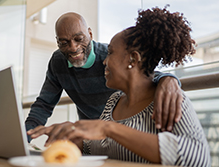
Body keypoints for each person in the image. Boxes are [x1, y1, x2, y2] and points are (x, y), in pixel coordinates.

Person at [28, 7, 211, 166]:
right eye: (64, 42)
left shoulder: (169, 100)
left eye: (110, 53)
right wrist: (73, 133)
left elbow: (197, 157)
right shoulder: (114, 101)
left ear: (133, 59)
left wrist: (170, 79)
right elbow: (104, 144)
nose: (105, 61)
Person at [25, 11, 183, 142]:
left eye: (79, 39)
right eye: (64, 42)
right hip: (91, 138)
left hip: (124, 134)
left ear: (90, 34)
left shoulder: (113, 55)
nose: (73, 47)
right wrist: (25, 136)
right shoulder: (58, 62)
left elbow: (144, 74)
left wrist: (168, 79)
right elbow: (44, 104)